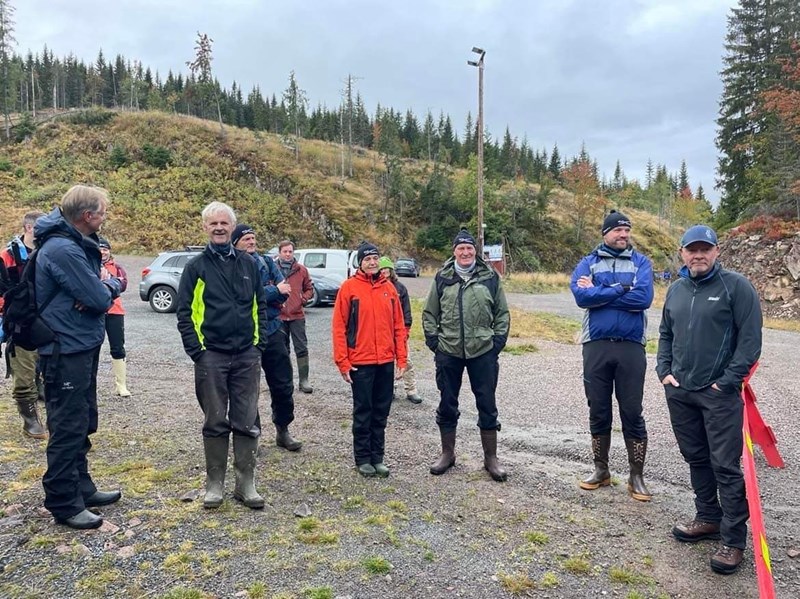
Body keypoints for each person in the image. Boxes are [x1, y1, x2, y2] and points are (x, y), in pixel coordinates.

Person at [657, 224, 762, 575]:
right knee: (696, 458)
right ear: (682, 253)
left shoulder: (737, 288)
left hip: (718, 395)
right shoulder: (676, 289)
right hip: (681, 391)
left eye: (705, 249)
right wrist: (664, 371)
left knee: (725, 466)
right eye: (692, 249)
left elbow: (750, 342)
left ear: (717, 251)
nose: (698, 255)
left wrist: (727, 383)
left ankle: (733, 541)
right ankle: (707, 518)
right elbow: (665, 333)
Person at [35, 185, 123, 530]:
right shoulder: (62, 250)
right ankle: (63, 501)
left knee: (83, 419)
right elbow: (100, 296)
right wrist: (103, 286)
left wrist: (105, 284)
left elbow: (104, 287)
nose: (104, 217)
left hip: (79, 344)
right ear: (88, 216)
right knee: (68, 425)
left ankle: (82, 488)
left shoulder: (73, 244)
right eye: (102, 212)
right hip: (64, 348)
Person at [177, 203, 269, 510]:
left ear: (233, 226)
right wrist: (197, 351)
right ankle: (214, 483)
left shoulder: (249, 264)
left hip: (247, 355)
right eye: (213, 223)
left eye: (224, 223)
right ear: (205, 227)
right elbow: (185, 312)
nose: (219, 227)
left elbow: (261, 306)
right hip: (211, 356)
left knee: (246, 420)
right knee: (215, 420)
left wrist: (259, 345)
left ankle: (246, 483)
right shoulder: (196, 267)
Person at [570, 210, 654, 501]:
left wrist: (600, 293)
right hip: (596, 345)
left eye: (627, 230)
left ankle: (636, 476)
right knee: (599, 409)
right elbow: (582, 297)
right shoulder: (588, 262)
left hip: (631, 346)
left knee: (632, 411)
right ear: (605, 233)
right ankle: (600, 469)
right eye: (618, 230)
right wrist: (621, 288)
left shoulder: (641, 262)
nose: (623, 235)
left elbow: (643, 298)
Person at [422, 229, 510, 482]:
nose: (465, 252)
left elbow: (502, 312)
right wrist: (434, 341)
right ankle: (447, 454)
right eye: (461, 248)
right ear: (454, 252)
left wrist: (497, 341)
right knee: (447, 402)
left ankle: (490, 458)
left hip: (482, 351)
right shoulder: (442, 277)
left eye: (469, 248)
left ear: (475, 251)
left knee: (487, 403)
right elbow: (429, 313)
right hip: (448, 351)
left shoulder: (489, 276)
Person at [332, 242, 407, 478]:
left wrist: (401, 359)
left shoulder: (390, 289)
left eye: (375, 258)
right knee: (363, 411)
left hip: (384, 360)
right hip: (360, 362)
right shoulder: (349, 288)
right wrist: (342, 362)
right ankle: (363, 458)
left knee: (381, 412)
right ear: (360, 263)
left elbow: (399, 325)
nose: (372, 262)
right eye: (367, 259)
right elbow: (338, 327)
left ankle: (378, 457)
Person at [231, 225, 302, 452]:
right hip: (244, 335)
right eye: (246, 239)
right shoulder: (231, 265)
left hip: (272, 329)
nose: (252, 242)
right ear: (235, 243)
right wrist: (271, 291)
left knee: (283, 384)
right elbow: (242, 295)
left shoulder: (266, 261)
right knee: (247, 388)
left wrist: (268, 292)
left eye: (253, 238)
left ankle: (283, 430)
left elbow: (286, 288)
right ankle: (253, 436)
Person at [1, 211, 47, 438]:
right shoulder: (8, 256)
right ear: (29, 228)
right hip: (21, 326)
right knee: (24, 374)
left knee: (49, 371)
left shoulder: (49, 252)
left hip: (49, 323)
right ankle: (31, 421)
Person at [378, 256, 422, 404]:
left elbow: (406, 311)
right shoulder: (376, 287)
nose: (384, 271)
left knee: (406, 361)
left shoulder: (400, 288)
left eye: (386, 268)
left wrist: (406, 329)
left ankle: (411, 390)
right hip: (384, 332)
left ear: (391, 270)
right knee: (387, 362)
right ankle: (390, 389)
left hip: (400, 330)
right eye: (381, 269)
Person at [277, 240, 315, 393]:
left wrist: (302, 299)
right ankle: (286, 381)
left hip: (297, 315)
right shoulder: (273, 268)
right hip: (279, 316)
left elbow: (309, 288)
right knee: (282, 350)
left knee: (301, 347)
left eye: (290, 251)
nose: (287, 254)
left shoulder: (301, 270)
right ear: (279, 252)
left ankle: (304, 380)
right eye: (285, 251)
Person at [98, 237, 131, 397]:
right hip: (95, 312)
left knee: (118, 348)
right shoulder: (88, 265)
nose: (102, 252)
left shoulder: (117, 267)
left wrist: (108, 280)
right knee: (91, 348)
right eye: (100, 249)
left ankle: (121, 385)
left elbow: (123, 285)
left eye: (105, 249)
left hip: (115, 311)